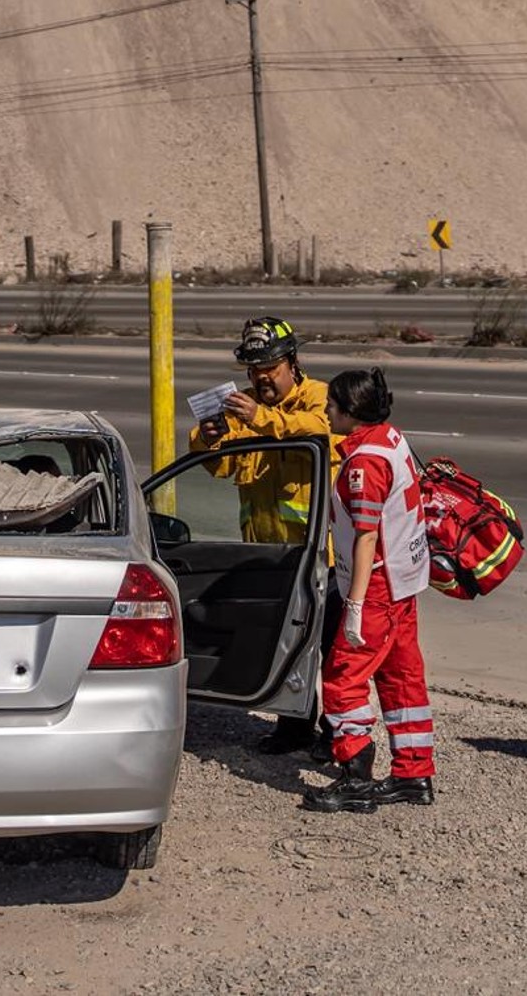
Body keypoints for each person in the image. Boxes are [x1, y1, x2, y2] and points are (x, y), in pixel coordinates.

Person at [188, 317, 341, 757]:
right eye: (255, 370)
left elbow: (319, 433)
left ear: (292, 362)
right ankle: (293, 728)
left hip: (321, 556)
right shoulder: (244, 405)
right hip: (268, 554)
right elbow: (221, 467)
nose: (261, 378)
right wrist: (208, 439)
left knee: (330, 652)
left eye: (270, 368)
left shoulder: (320, 398)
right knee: (285, 645)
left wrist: (262, 419)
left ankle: (338, 734)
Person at [302, 368, 435, 814]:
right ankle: (414, 773)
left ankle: (355, 776)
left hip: (377, 587)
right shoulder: (389, 438)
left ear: (351, 411)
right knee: (401, 678)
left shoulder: (364, 462)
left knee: (342, 680)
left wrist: (355, 604)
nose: (326, 412)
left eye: (332, 406)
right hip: (403, 583)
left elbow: (366, 535)